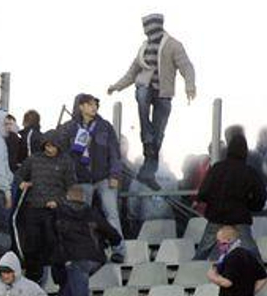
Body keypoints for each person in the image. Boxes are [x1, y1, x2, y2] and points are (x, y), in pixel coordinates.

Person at [107, 13, 195, 190]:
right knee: (142, 97)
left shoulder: (172, 45)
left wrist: (190, 85)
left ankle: (148, 172)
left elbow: (186, 66)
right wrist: (116, 86)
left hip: (164, 93)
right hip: (145, 87)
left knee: (158, 135)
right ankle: (147, 139)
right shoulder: (144, 47)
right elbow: (132, 72)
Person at [57, 93, 126, 263]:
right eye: (89, 104)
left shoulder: (105, 127)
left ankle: (119, 250)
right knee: (81, 216)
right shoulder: (69, 128)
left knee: (112, 214)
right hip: (81, 180)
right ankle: (85, 249)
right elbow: (62, 155)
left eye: (95, 104)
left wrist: (114, 174)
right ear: (80, 106)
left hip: (103, 177)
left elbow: (114, 153)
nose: (93, 107)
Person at [14, 131, 76, 284]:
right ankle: (33, 279)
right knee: (32, 246)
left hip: (55, 210)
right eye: (47, 146)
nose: (50, 149)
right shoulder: (34, 159)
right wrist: (21, 183)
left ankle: (60, 283)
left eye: (53, 146)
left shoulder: (66, 162)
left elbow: (71, 187)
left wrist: (59, 201)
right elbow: (18, 174)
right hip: (34, 207)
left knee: (55, 246)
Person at [193, 133, 266, 261]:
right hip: (239, 217)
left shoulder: (217, 168)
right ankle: (262, 276)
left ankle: (189, 274)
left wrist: (213, 202)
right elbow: (260, 197)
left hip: (217, 216)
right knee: (251, 251)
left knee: (203, 251)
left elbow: (203, 192)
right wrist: (249, 206)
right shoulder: (249, 172)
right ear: (244, 151)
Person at [52, 185, 123, 296]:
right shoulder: (92, 213)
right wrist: (112, 245)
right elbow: (114, 235)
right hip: (96, 259)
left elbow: (50, 237)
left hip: (73, 258)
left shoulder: (58, 213)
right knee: (75, 277)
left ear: (67, 197)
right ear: (84, 198)